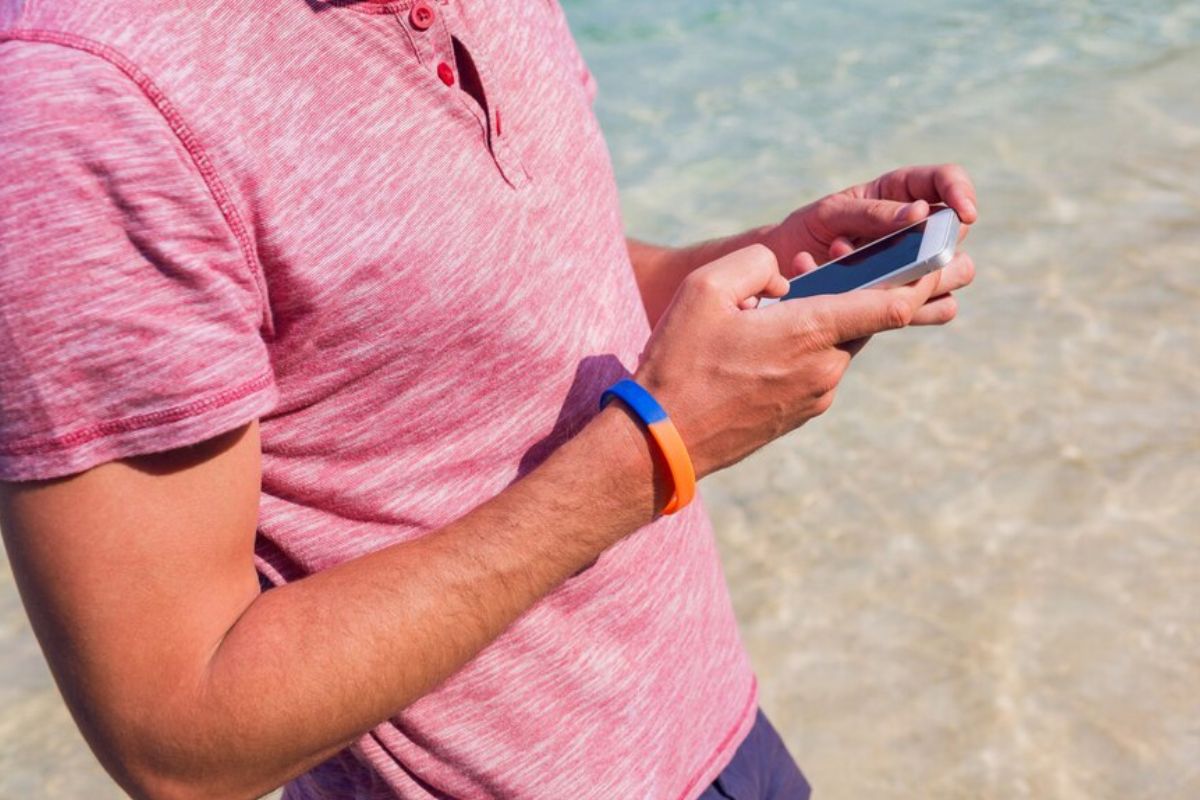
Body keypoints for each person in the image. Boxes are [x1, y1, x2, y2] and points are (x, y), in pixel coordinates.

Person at [0, 1, 976, 798]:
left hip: (714, 732)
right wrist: (657, 448)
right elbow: (180, 736)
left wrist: (745, 269)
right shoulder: (77, 99)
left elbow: (500, 294)